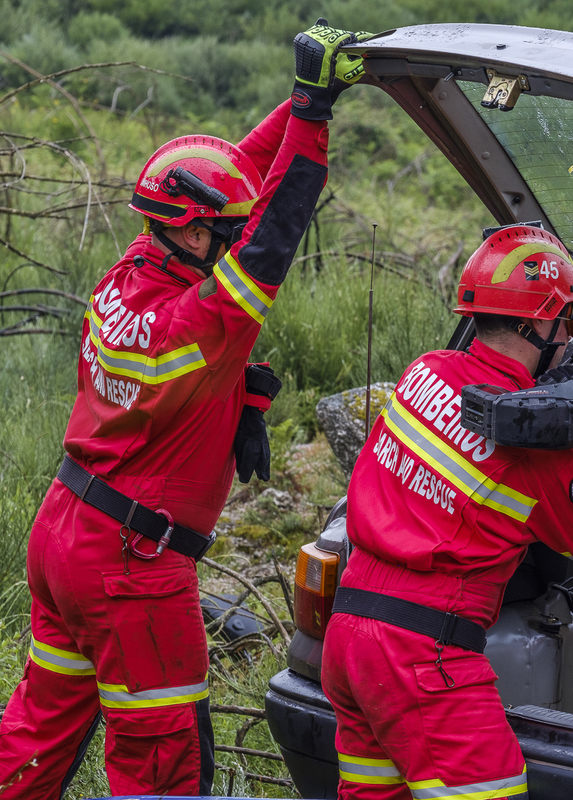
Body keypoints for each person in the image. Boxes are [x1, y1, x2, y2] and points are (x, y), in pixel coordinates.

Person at [0, 21, 364, 797]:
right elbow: (278, 229)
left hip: (66, 531)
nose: (234, 239)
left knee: (39, 732)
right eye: (222, 231)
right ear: (192, 231)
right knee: (164, 760)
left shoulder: (133, 273)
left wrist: (307, 98)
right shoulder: (203, 316)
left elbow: (233, 175)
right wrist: (314, 120)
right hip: (131, 566)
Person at [320, 224, 573, 800]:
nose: (570, 334)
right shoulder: (537, 455)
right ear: (544, 322)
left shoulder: (426, 371)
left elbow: (469, 485)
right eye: (570, 320)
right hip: (426, 660)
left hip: (349, 639)